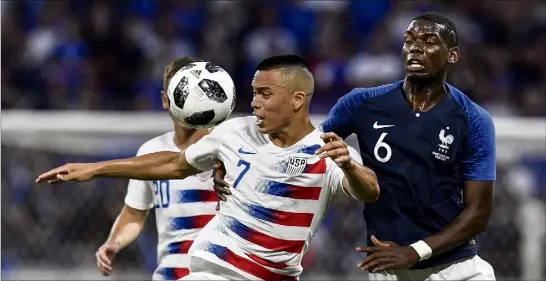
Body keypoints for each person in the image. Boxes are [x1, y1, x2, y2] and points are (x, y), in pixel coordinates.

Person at [36, 54, 380, 281]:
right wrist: (96, 168)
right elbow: (173, 163)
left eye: (264, 93)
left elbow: (369, 191)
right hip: (214, 270)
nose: (255, 102)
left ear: (296, 100)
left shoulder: (328, 151)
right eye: (253, 92)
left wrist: (349, 165)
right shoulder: (234, 132)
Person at [211, 12, 496, 281]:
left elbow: (478, 214)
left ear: (453, 55)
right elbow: (302, 144)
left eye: (429, 42)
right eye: (409, 41)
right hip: (387, 268)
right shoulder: (363, 103)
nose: (415, 48)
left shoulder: (473, 119)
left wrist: (415, 251)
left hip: (457, 269)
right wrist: (236, 159)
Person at [94, 56, 218, 280]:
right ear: (164, 100)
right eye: (178, 95)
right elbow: (134, 213)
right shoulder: (150, 151)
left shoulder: (224, 147)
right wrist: (114, 242)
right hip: (171, 274)